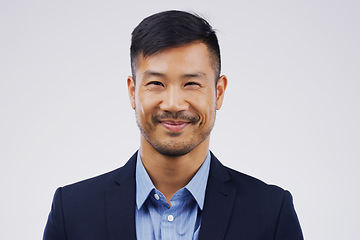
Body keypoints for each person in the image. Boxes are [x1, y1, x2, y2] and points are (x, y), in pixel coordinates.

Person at [43, 10, 303, 240]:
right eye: (156, 83)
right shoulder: (72, 212)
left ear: (219, 92)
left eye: (191, 84)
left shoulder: (271, 213)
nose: (174, 104)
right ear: (133, 92)